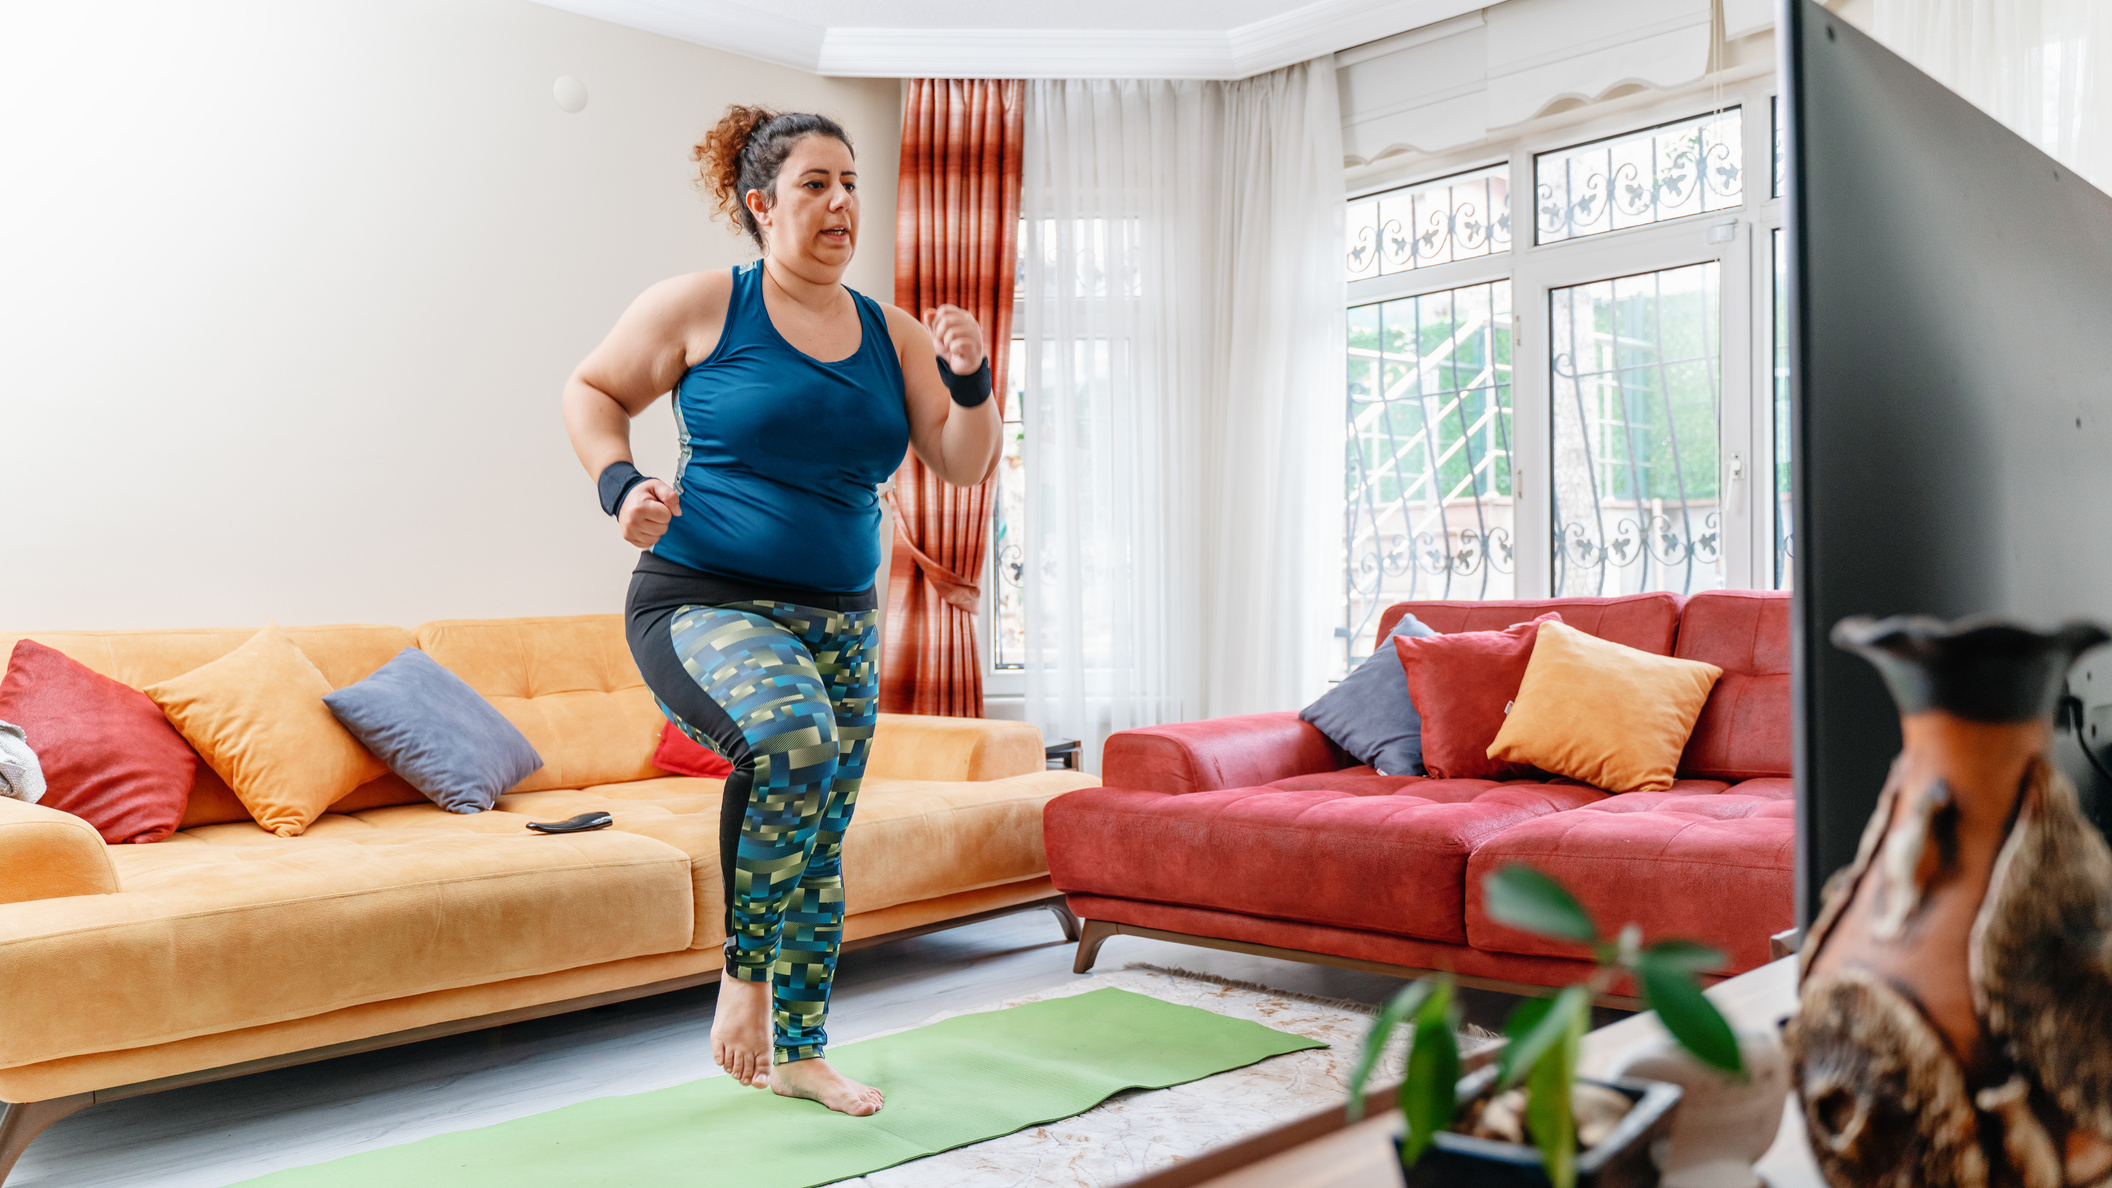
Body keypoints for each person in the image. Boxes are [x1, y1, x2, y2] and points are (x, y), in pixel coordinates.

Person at [560, 106, 1000, 1117]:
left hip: (843, 618)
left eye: (851, 183)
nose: (843, 202)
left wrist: (971, 379)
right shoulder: (706, 305)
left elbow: (963, 461)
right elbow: (592, 390)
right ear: (762, 204)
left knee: (819, 834)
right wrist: (620, 484)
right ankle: (743, 984)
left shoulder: (890, 335)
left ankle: (801, 1052)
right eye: (815, 184)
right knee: (791, 744)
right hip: (701, 595)